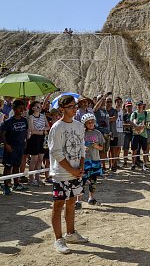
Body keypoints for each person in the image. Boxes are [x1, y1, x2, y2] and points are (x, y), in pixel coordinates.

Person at [48, 95, 88, 254]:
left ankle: (70, 233)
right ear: (62, 109)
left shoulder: (79, 126)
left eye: (75, 106)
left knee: (71, 202)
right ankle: (58, 239)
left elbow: (82, 146)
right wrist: (71, 170)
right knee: (58, 205)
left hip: (76, 172)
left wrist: (81, 167)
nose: (74, 108)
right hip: (61, 174)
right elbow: (56, 152)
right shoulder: (56, 128)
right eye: (71, 106)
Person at [0, 99, 29, 194]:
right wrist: (6, 144)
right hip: (10, 148)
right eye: (20, 108)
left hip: (20, 147)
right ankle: (6, 185)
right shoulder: (8, 122)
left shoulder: (24, 120)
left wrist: (25, 142)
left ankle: (16, 184)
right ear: (14, 108)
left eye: (23, 108)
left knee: (17, 166)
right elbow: (2, 134)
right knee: (8, 166)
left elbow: (25, 133)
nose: (22, 110)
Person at [79, 113, 104, 206]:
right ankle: (79, 200)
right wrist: (83, 147)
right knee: (82, 180)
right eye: (88, 122)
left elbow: (102, 148)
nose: (90, 124)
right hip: (85, 160)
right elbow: (77, 145)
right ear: (84, 124)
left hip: (95, 159)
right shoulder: (81, 133)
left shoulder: (98, 133)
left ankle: (91, 198)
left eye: (92, 122)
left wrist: (96, 146)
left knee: (93, 181)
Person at [26, 100, 50, 186]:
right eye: (37, 106)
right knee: (34, 160)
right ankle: (31, 178)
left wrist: (42, 131)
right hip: (34, 140)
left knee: (40, 159)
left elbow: (48, 126)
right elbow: (32, 131)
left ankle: (37, 177)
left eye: (40, 106)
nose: (39, 108)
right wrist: (43, 131)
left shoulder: (43, 116)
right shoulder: (31, 117)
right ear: (32, 108)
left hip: (42, 139)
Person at [130, 101, 150, 170]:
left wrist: (142, 127)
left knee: (145, 150)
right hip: (135, 134)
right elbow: (131, 122)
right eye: (138, 105)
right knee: (134, 149)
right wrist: (136, 127)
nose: (139, 106)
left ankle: (145, 164)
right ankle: (133, 164)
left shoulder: (146, 113)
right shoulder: (134, 113)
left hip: (143, 134)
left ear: (143, 105)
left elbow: (147, 122)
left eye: (141, 105)